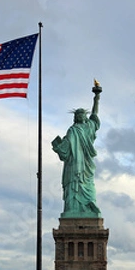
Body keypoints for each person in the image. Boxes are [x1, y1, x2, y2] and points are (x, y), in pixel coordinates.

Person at [52, 82, 102, 218]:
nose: (80, 116)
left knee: (88, 184)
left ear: (85, 117)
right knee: (73, 184)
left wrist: (96, 97)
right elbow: (65, 150)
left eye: (82, 114)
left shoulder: (89, 127)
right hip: (73, 164)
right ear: (75, 118)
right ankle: (72, 208)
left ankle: (90, 203)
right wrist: (58, 147)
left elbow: (95, 113)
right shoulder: (72, 130)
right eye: (78, 115)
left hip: (85, 163)